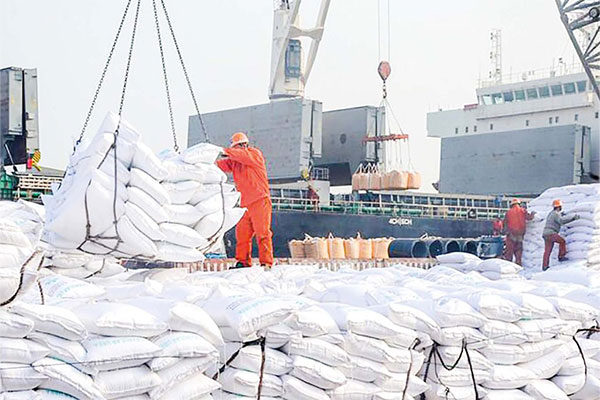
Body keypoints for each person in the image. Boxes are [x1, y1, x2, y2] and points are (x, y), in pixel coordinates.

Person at [216, 132, 273, 269]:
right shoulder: (235, 162)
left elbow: (242, 156)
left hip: (260, 200)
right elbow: (219, 165)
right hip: (244, 204)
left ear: (243, 145)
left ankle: (266, 263)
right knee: (242, 236)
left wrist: (225, 151)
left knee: (263, 233)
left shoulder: (254, 154)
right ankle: (243, 262)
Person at [542, 199, 579, 271]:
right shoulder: (556, 214)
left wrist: (561, 214)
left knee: (547, 251)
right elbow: (561, 221)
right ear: (559, 207)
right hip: (551, 233)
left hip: (545, 234)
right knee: (562, 241)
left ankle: (545, 266)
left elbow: (556, 218)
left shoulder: (551, 213)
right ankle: (561, 256)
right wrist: (573, 218)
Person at [503, 198, 535, 266]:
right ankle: (518, 265)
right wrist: (532, 214)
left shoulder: (508, 212)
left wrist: (506, 232)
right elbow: (529, 218)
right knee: (518, 250)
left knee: (509, 251)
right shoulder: (523, 210)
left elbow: (505, 224)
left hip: (511, 234)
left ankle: (508, 266)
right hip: (520, 234)